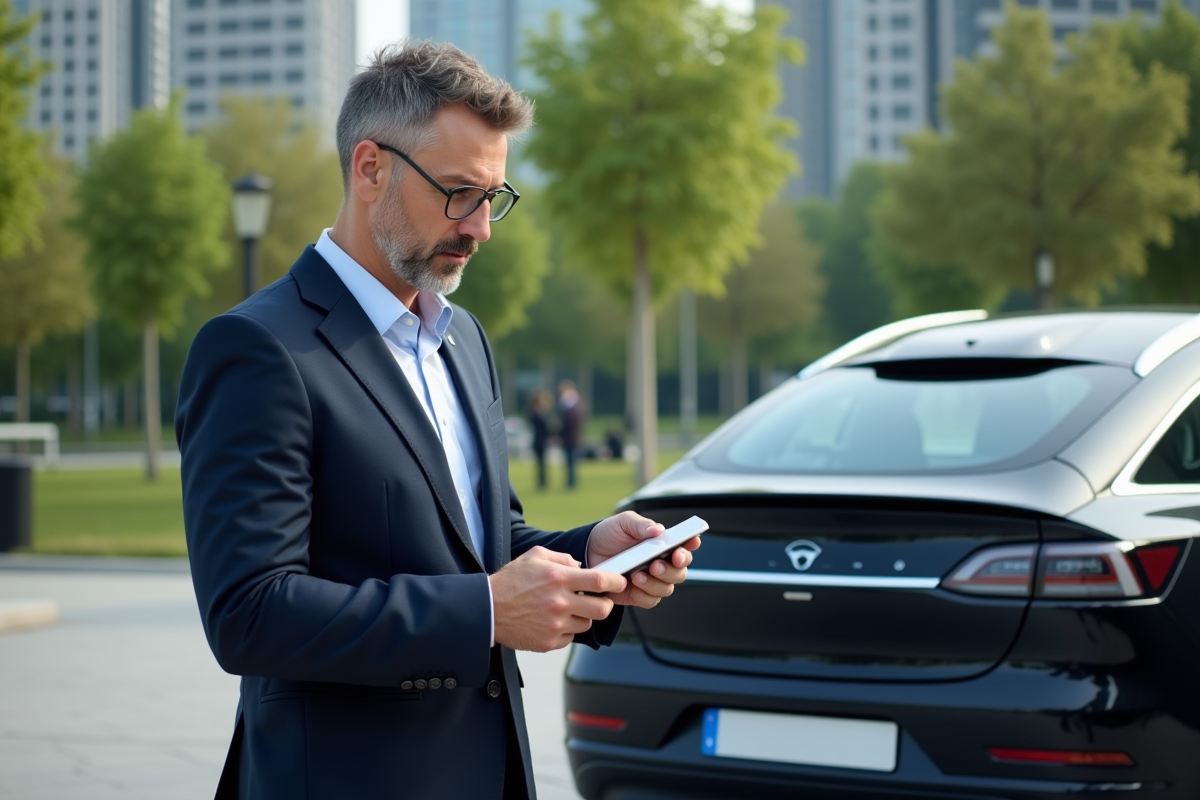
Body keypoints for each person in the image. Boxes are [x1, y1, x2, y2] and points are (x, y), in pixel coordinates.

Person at [175, 42, 699, 800]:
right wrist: (486, 612)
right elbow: (249, 613)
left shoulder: (464, 338)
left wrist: (593, 554)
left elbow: (484, 543)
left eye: (494, 196)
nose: (481, 227)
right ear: (370, 168)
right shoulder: (256, 348)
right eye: (459, 193)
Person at [557, 379, 583, 489]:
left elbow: (569, 422)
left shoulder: (571, 404)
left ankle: (571, 483)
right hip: (570, 437)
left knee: (571, 461)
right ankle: (570, 482)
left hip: (571, 437)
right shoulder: (571, 404)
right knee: (569, 462)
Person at [527, 388, 552, 490]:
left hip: (541, 440)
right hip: (539, 441)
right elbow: (544, 427)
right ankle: (542, 483)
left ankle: (543, 482)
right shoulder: (535, 413)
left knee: (542, 463)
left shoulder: (535, 412)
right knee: (541, 464)